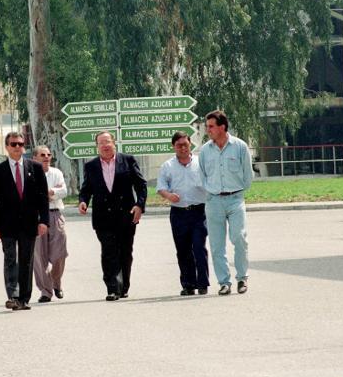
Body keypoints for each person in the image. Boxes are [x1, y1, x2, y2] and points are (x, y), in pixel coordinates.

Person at [78, 131, 147, 301]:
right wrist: (83, 201)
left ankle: (124, 286)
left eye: (107, 142)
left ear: (114, 143)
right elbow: (86, 189)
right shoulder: (91, 166)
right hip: (103, 217)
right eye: (101, 143)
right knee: (109, 251)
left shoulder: (128, 160)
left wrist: (140, 205)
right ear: (97, 147)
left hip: (126, 215)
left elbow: (141, 184)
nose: (105, 145)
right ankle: (112, 287)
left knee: (125, 252)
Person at [0, 132, 49, 311]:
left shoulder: (35, 168)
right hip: (7, 224)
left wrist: (43, 221)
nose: (17, 147)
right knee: (10, 259)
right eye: (13, 144)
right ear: (7, 147)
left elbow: (42, 198)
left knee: (26, 260)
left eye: (20, 144)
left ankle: (23, 298)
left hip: (30, 223)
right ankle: (13, 295)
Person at [198, 110, 253, 296]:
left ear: (222, 127)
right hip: (214, 201)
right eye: (207, 127)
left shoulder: (239, 146)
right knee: (216, 244)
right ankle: (224, 282)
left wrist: (237, 191)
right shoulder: (205, 150)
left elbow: (248, 175)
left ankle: (242, 278)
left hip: (235, 199)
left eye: (211, 126)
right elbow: (203, 175)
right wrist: (212, 192)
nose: (208, 130)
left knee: (239, 237)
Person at [156, 131, 210, 296]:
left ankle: (202, 283)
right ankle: (188, 284)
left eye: (185, 144)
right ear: (173, 146)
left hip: (198, 211)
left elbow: (211, 181)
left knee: (199, 248)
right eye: (179, 145)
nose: (183, 148)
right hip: (179, 212)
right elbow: (161, 187)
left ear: (190, 145)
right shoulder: (168, 166)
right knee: (183, 249)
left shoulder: (200, 163)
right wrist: (169, 195)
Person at [32, 145, 69, 303]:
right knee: (39, 256)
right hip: (37, 216)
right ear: (35, 158)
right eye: (42, 155)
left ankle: (56, 282)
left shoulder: (56, 173)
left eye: (48, 154)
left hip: (55, 215)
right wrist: (52, 192)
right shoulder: (30, 173)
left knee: (60, 254)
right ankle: (46, 291)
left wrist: (50, 192)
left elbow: (64, 192)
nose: (46, 157)